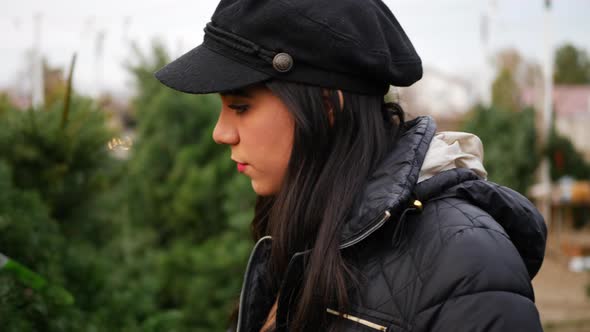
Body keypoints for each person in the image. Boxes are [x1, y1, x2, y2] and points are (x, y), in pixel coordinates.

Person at [155, 0, 547, 331]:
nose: (220, 133)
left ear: (328, 107)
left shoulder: (467, 264)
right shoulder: (304, 225)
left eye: (240, 107)